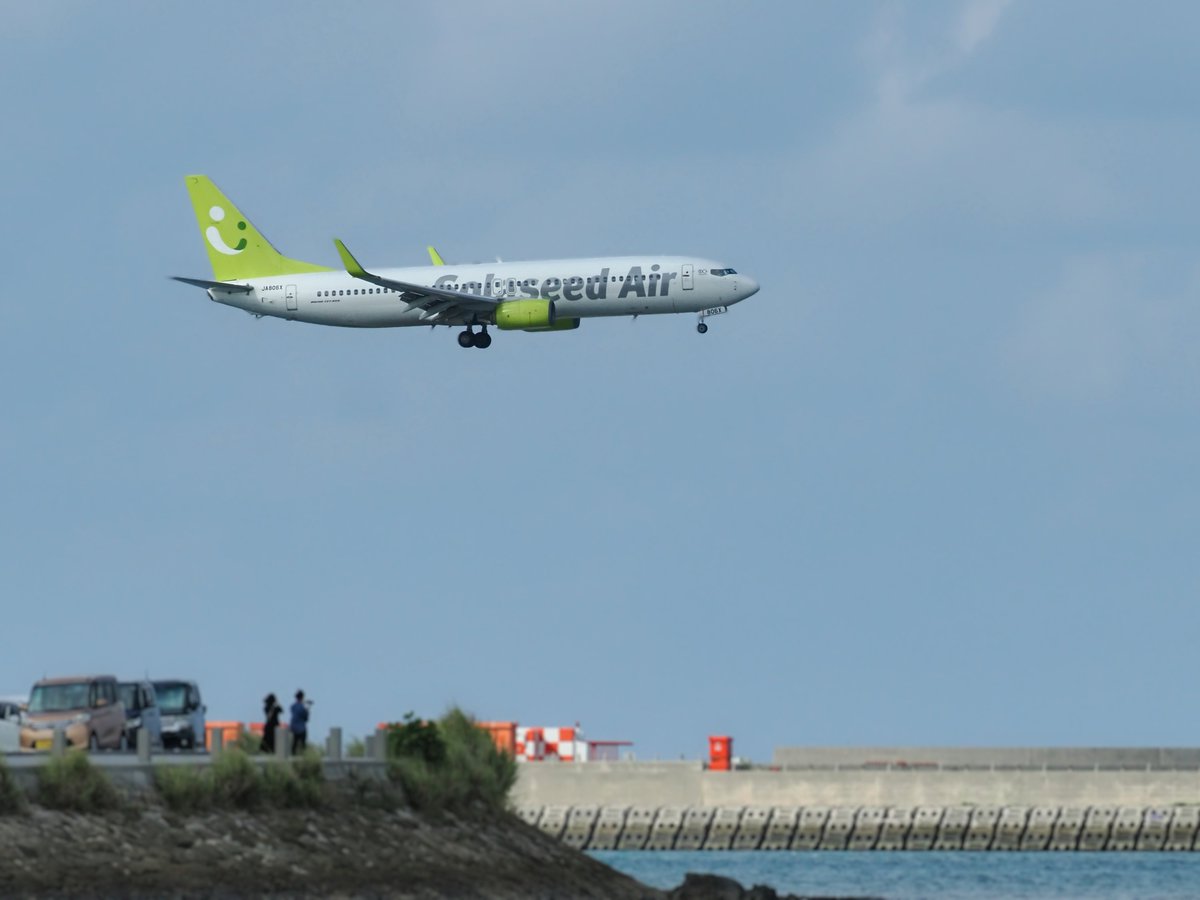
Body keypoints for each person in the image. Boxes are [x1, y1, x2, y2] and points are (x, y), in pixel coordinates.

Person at [290, 689, 311, 754]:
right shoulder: (303, 707)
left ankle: (293, 756)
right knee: (303, 745)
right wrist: (307, 709)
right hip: (301, 728)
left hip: (294, 727)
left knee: (294, 744)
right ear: (302, 697)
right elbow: (306, 718)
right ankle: (302, 757)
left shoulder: (293, 706)